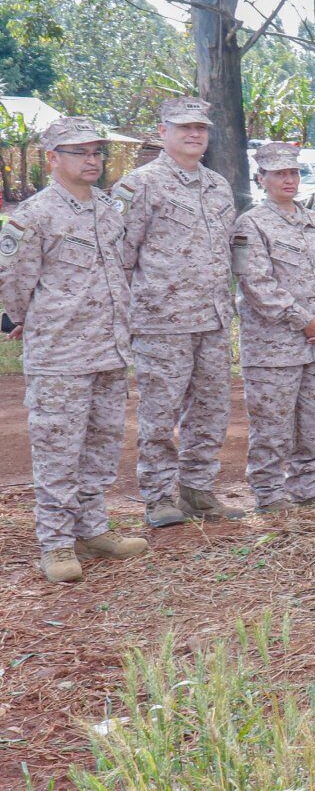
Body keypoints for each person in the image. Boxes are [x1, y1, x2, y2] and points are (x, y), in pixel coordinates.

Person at [2, 117, 148, 582]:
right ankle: (57, 544)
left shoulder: (107, 208)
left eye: (97, 152)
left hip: (109, 349)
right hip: (61, 354)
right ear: (52, 159)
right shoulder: (34, 214)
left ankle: (93, 530)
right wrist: (24, 319)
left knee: (101, 448)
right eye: (79, 152)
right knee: (58, 451)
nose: (92, 160)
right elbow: (13, 280)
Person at [116, 96, 242, 526]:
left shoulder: (217, 185)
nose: (194, 134)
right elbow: (120, 258)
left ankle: (197, 490)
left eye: (201, 128)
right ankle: (157, 497)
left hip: (212, 319)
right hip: (161, 322)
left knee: (210, 410)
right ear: (162, 131)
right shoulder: (139, 186)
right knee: (160, 414)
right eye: (184, 127)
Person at [235, 141, 315, 512]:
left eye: (294, 172)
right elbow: (256, 283)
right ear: (261, 178)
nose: (289, 179)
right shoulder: (250, 224)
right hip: (275, 347)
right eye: (279, 173)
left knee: (314, 423)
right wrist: (306, 321)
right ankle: (269, 494)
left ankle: (308, 489)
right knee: (272, 425)